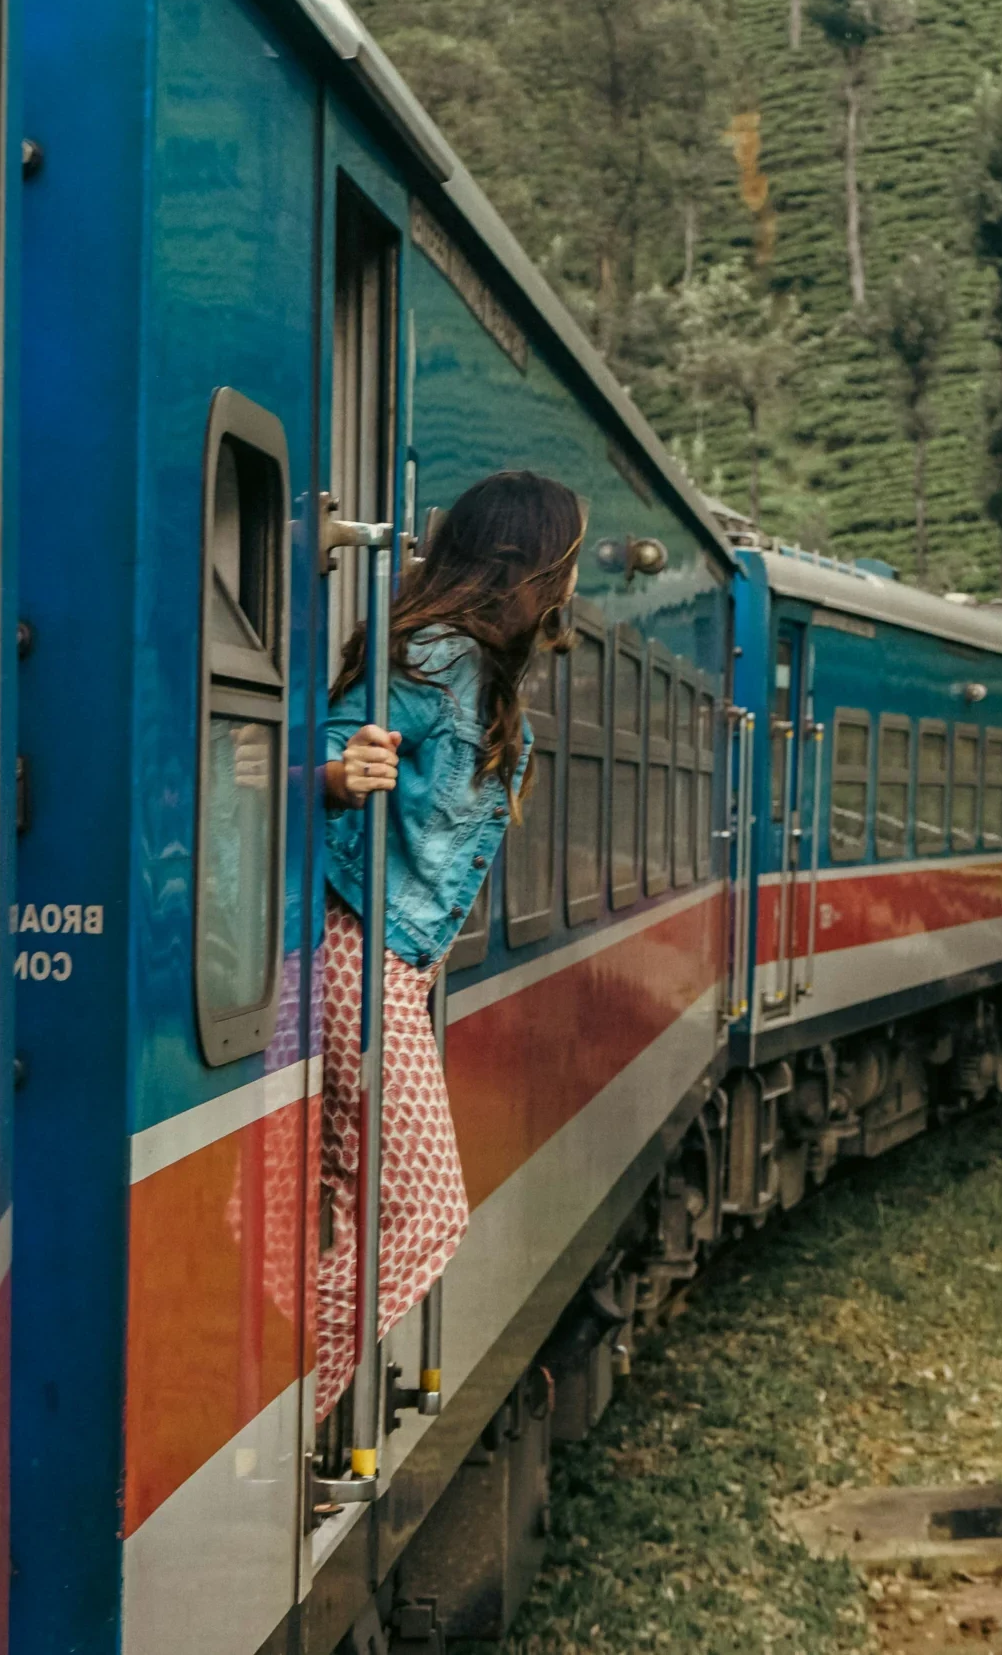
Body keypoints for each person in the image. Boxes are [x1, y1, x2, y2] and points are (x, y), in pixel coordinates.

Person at [314, 469, 584, 1426]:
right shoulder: (431, 655)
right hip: (362, 952)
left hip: (392, 963)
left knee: (355, 1200)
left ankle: (290, 1400)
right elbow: (335, 747)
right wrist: (343, 774)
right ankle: (294, 1401)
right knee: (426, 1215)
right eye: (564, 564)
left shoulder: (480, 667)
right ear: (523, 567)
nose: (571, 586)